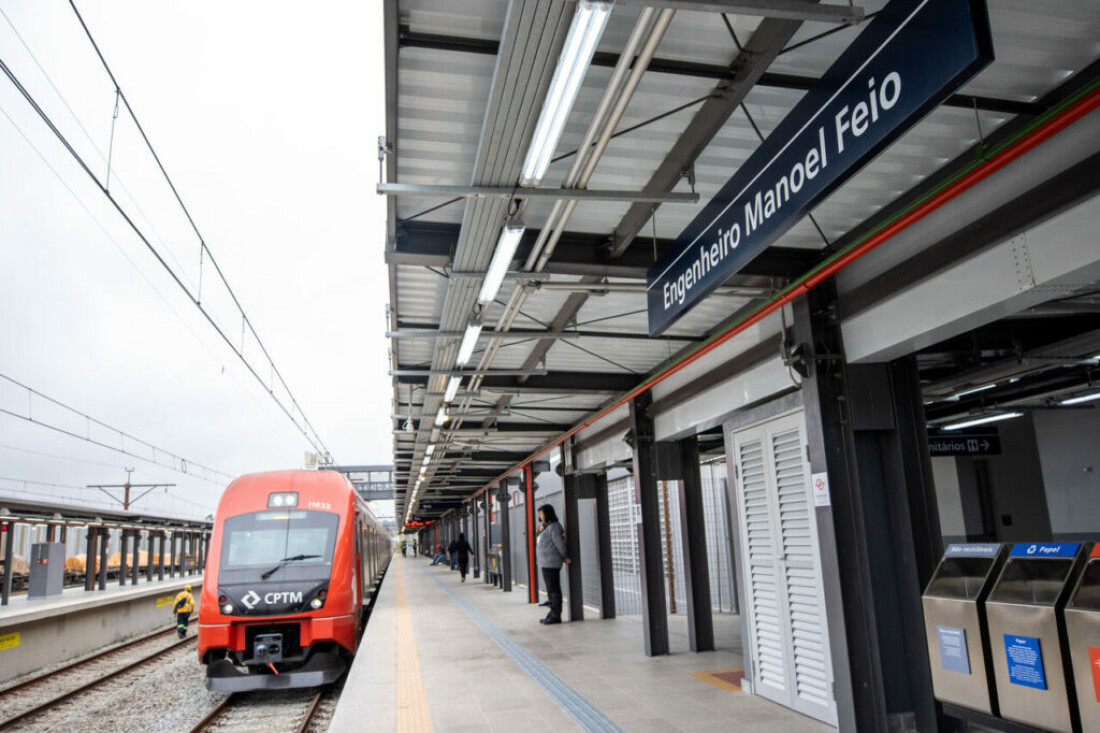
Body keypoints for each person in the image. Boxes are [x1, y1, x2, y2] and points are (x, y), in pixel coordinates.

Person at [535, 504, 569, 625]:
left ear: (548, 513)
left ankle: (556, 615)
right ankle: (552, 613)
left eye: (541, 513)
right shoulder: (546, 527)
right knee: (550, 589)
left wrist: (565, 556)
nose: (539, 516)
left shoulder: (553, 527)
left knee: (554, 589)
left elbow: (559, 543)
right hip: (545, 562)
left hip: (551, 562)